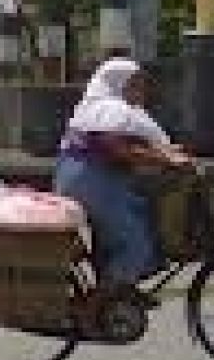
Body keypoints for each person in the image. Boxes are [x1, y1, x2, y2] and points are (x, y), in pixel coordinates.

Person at [54, 57, 194, 330]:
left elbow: (137, 141)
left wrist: (168, 153)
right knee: (136, 246)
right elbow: (117, 148)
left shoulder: (108, 109)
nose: (142, 90)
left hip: (92, 177)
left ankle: (118, 288)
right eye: (135, 83)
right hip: (91, 180)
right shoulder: (107, 109)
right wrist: (166, 161)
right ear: (118, 83)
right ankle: (91, 309)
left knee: (144, 219)